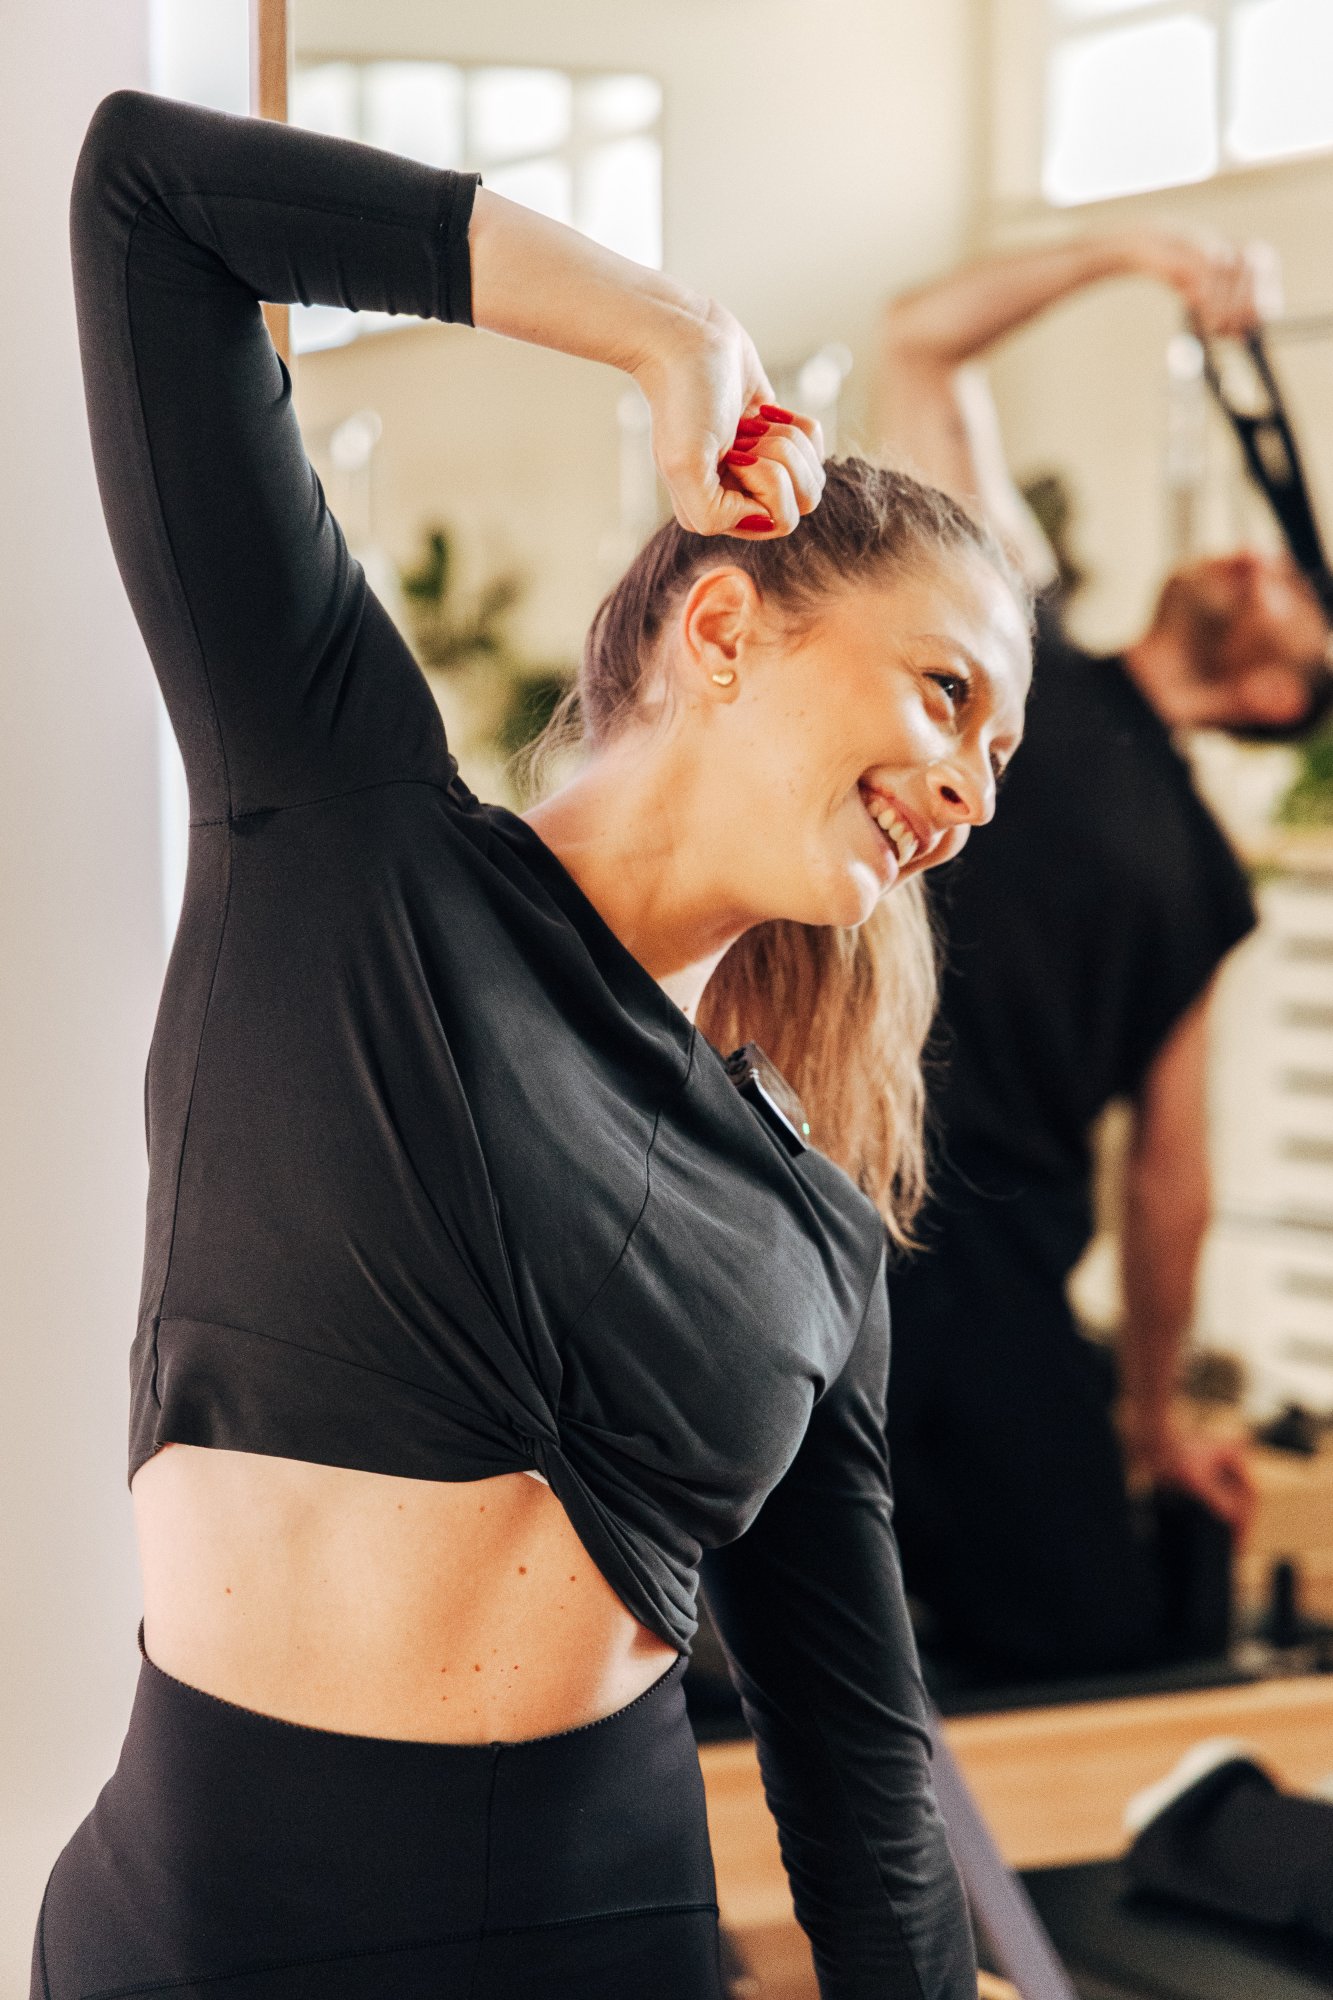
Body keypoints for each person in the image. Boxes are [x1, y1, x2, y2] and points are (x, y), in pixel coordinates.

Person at [40, 90, 1031, 2000]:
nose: (973, 791)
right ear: (724, 626)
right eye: (945, 693)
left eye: (998, 756)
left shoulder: (811, 1237)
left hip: (606, 1946)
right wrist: (666, 334)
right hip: (196, 1943)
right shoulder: (341, 834)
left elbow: (862, 1775)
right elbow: (150, 200)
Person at [874, 230, 1333, 1686]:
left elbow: (1170, 1176)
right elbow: (922, 340)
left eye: (1291, 590)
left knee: (1101, 1653)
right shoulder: (1019, 640)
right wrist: (1141, 251)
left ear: (1277, 695)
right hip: (814, 1206)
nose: (1256, 559)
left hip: (994, 1282)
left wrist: (1151, 1424)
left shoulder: (1206, 880)